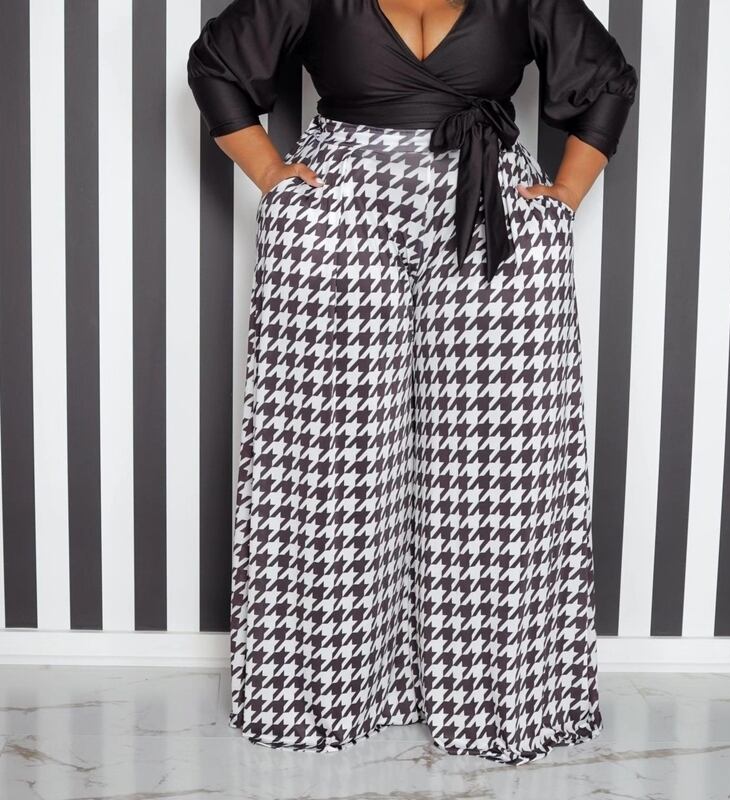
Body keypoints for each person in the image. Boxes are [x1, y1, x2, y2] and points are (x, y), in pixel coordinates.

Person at [187, 0, 637, 766]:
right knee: (330, 460)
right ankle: (320, 687)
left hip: (488, 211)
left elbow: (608, 82)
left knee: (496, 462)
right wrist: (273, 178)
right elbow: (216, 66)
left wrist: (563, 198)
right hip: (339, 214)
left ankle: (491, 692)